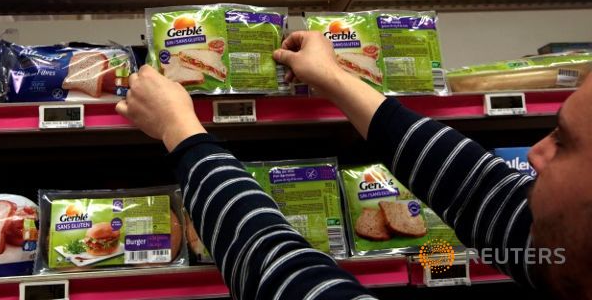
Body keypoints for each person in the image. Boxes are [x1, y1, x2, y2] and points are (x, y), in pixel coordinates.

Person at [115, 31, 592, 300]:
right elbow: (484, 191)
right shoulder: (569, 250)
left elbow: (291, 277)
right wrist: (337, 81)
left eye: (564, 141)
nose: (535, 154)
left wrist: (181, 131)